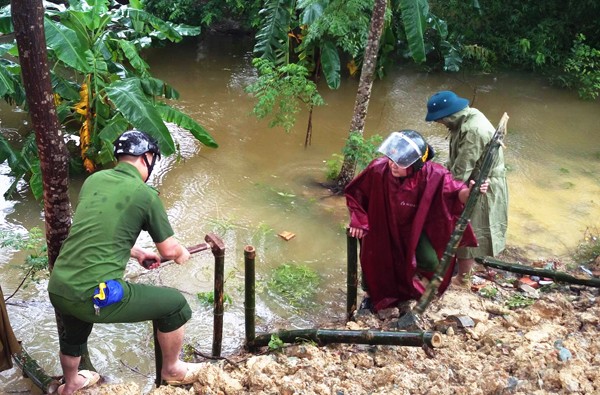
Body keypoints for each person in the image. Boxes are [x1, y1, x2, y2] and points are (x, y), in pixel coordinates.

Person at [47, 130, 203, 395]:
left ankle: (71, 382)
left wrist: (138, 253)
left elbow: (100, 229)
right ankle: (173, 369)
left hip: (60, 286)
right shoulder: (145, 194)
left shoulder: (94, 180)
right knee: (174, 305)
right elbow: (168, 249)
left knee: (75, 331)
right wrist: (180, 254)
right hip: (94, 294)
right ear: (147, 158)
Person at [345, 130, 488, 313]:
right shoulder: (377, 169)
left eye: (400, 162)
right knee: (373, 260)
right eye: (391, 158)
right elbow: (355, 194)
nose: (393, 165)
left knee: (429, 261)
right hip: (383, 224)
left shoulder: (434, 174)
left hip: (416, 228)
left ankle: (411, 287)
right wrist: (359, 220)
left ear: (416, 164)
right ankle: (370, 294)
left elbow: (455, 194)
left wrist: (471, 192)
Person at [425, 90, 508, 285]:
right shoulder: (468, 116)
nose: (439, 124)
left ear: (449, 116)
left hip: (480, 185)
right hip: (475, 180)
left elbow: (461, 171)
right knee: (467, 228)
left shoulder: (473, 131)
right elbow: (455, 162)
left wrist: (439, 189)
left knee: (468, 230)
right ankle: (464, 271)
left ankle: (463, 279)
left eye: (439, 120)